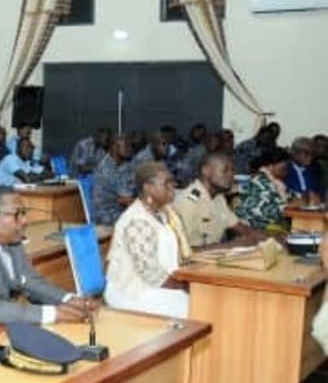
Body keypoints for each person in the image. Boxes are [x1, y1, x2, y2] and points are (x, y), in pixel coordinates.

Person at [0, 187, 97, 324]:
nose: (24, 221)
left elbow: (28, 280)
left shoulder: (11, 237)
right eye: (16, 215)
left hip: (6, 321)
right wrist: (54, 314)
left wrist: (68, 299)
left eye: (24, 213)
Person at [104, 162, 191, 318]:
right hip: (133, 290)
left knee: (203, 300)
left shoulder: (164, 212)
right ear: (148, 188)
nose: (173, 188)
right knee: (195, 306)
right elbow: (152, 274)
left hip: (161, 284)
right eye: (166, 184)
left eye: (173, 182)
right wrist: (185, 287)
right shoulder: (136, 220)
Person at [173, 153, 265, 248]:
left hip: (216, 256)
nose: (231, 175)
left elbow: (240, 228)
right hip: (196, 261)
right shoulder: (188, 203)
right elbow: (181, 251)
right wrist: (229, 246)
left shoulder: (218, 198)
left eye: (232, 171)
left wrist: (269, 238)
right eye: (225, 171)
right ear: (206, 171)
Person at [235, 147, 292, 231]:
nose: (287, 171)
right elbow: (277, 212)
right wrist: (284, 197)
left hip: (268, 226)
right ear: (270, 166)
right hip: (256, 229)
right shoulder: (261, 183)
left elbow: (292, 196)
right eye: (284, 168)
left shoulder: (273, 181)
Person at [91, 135, 136, 225]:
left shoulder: (126, 164)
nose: (130, 149)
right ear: (114, 148)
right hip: (107, 214)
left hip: (120, 209)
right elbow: (126, 198)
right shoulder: (106, 168)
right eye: (126, 146)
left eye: (130, 146)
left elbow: (135, 186)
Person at [286, 137, 322, 202]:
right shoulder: (285, 170)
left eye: (312, 154)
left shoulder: (313, 171)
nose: (310, 158)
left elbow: (318, 192)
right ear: (295, 153)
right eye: (306, 154)